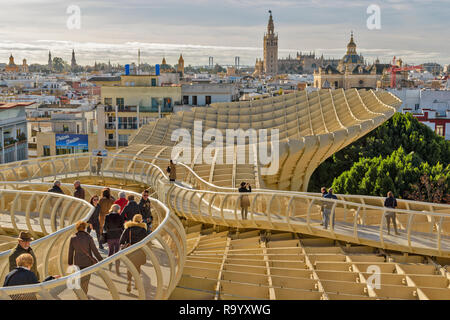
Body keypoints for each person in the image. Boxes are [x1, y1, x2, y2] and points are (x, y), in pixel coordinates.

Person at [68, 221, 103, 294]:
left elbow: (70, 252)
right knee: (86, 281)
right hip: (87, 263)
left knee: (79, 280)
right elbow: (95, 250)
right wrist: (101, 260)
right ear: (84, 228)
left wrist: (70, 263)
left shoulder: (73, 238)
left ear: (77, 228)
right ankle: (84, 296)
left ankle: (80, 296)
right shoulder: (89, 237)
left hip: (77, 262)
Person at [119, 214, 148, 292]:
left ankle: (129, 281)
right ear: (141, 220)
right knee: (137, 267)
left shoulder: (129, 228)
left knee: (129, 267)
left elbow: (121, 240)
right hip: (139, 251)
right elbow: (147, 241)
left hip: (130, 250)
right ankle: (136, 282)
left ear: (133, 219)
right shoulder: (143, 230)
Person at [104, 204, 124, 275]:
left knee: (110, 252)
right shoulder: (120, 216)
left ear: (112, 208)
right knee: (117, 253)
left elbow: (105, 227)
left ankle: (109, 267)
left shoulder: (107, 216)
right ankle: (117, 270)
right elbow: (123, 227)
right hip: (118, 236)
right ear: (118, 209)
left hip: (110, 236)